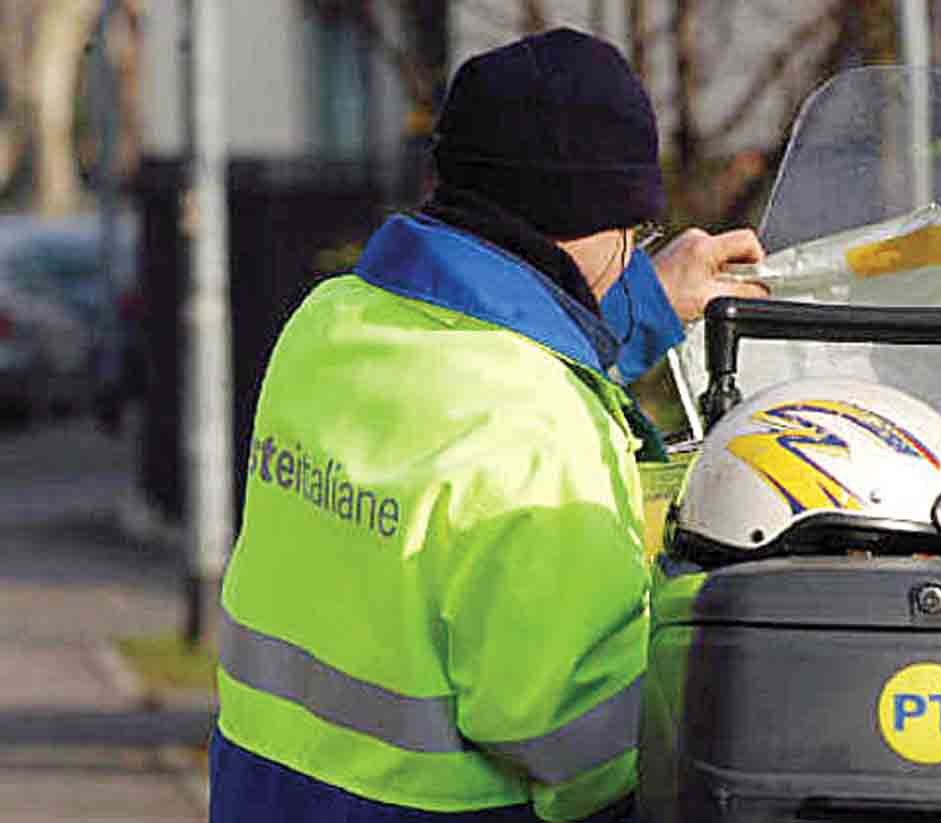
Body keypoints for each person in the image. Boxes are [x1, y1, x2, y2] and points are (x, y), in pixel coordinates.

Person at [209, 26, 766, 823]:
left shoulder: (331, 323)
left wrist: (641, 297)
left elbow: (482, 344)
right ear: (599, 225)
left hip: (267, 792)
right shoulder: (536, 420)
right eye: (633, 235)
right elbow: (572, 743)